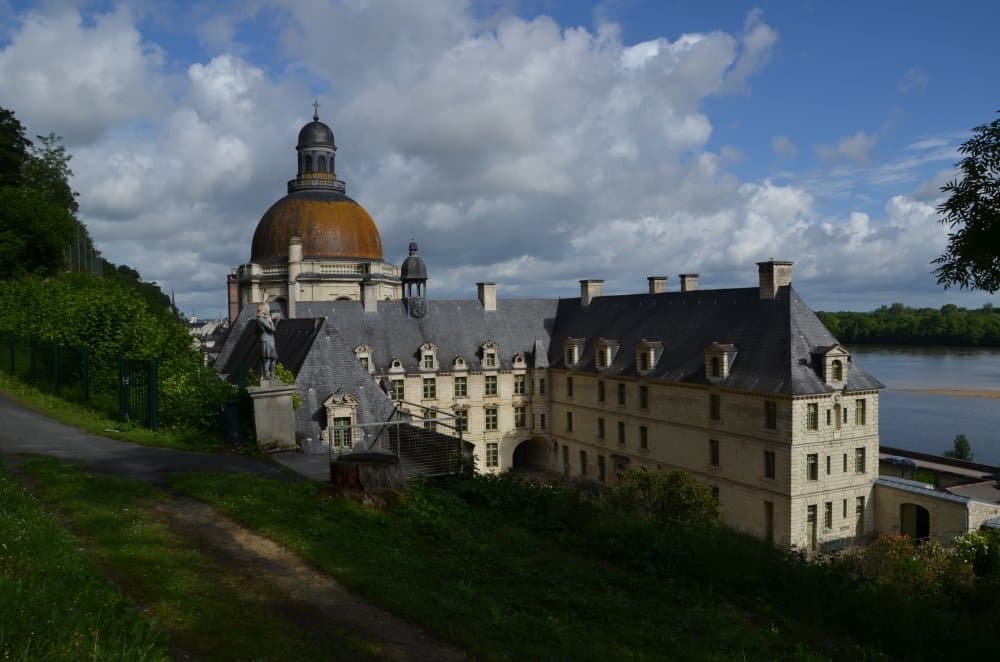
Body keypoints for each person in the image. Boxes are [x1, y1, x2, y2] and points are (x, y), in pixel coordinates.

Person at [256, 303, 277, 380]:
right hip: (266, 340)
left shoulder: (261, 319)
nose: (268, 311)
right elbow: (271, 329)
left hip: (268, 340)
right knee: (268, 357)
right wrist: (271, 322)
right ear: (263, 310)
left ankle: (272, 374)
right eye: (267, 310)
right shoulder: (261, 319)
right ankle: (266, 375)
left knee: (273, 357)